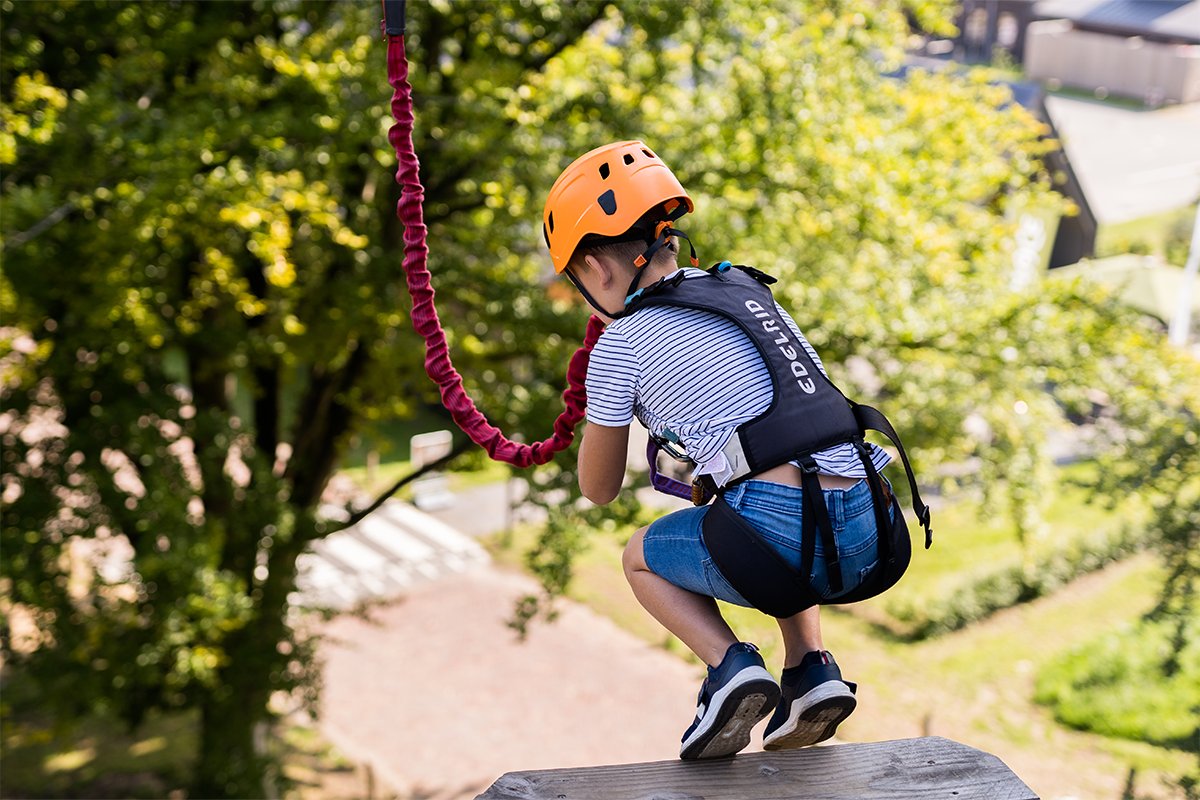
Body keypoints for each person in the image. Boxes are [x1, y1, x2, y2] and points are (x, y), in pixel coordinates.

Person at [542, 140, 899, 761]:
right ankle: (811, 669)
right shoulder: (747, 292)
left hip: (783, 538)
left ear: (595, 270)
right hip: (874, 519)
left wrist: (606, 388)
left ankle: (731, 669)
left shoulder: (619, 344)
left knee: (639, 558)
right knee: (782, 488)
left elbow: (598, 489)